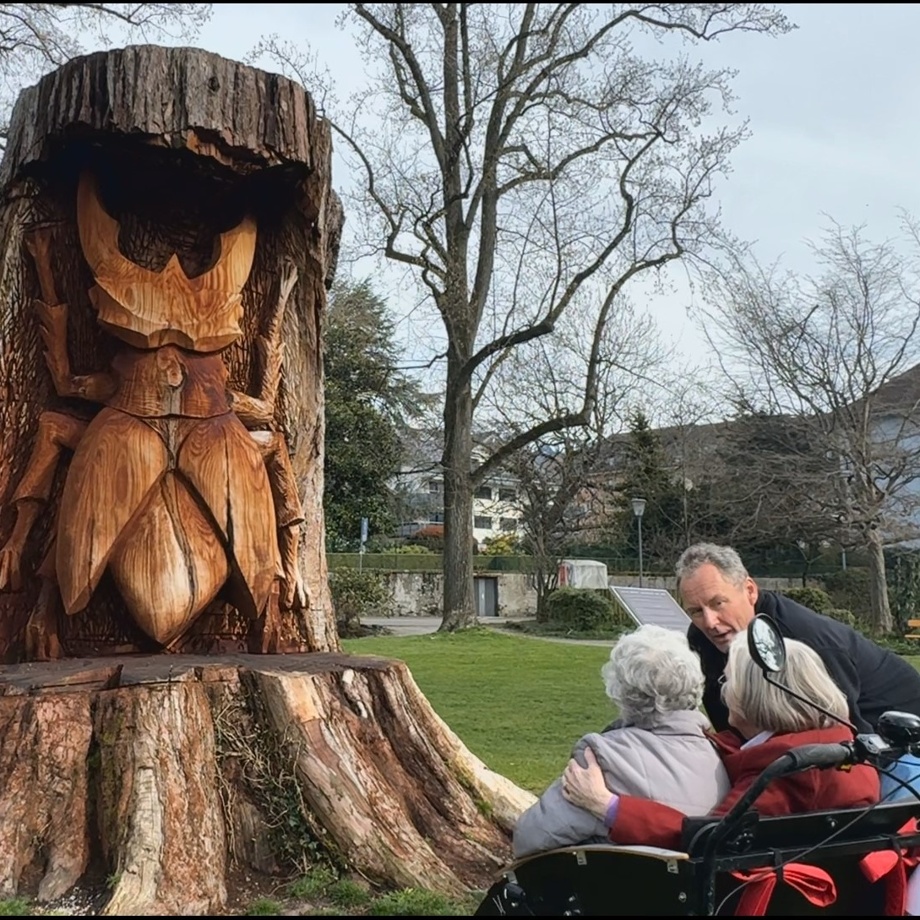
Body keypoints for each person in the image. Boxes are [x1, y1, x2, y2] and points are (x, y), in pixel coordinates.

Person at [561, 631, 880, 851]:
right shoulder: (840, 748)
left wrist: (608, 806)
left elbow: (706, 838)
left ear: (758, 700)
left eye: (728, 680)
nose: (723, 690)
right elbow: (755, 752)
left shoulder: (784, 775)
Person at [675, 542, 920, 801]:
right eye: (696, 611)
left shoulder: (803, 640)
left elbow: (845, 732)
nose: (710, 622)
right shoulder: (702, 641)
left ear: (749, 590)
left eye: (718, 603)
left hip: (899, 743)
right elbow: (733, 734)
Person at [511, 624, 730, 859]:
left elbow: (530, 837)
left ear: (622, 691)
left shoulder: (603, 757)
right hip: (702, 889)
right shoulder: (720, 754)